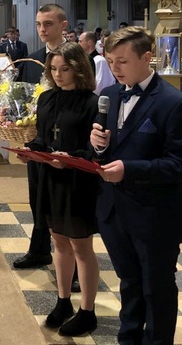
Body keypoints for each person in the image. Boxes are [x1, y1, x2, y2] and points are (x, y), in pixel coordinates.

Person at [90, 27, 182, 344]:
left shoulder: (172, 102)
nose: (114, 69)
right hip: (115, 210)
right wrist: (97, 146)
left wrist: (129, 169)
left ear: (147, 58)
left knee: (155, 288)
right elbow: (106, 150)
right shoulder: (111, 95)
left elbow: (177, 164)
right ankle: (128, 338)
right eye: (110, 61)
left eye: (122, 61)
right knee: (128, 282)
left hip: (155, 214)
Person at [20, 43, 100, 336]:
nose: (59, 75)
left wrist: (70, 159)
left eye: (64, 69)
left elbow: (95, 149)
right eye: (53, 69)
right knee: (58, 242)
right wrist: (29, 150)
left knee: (81, 246)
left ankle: (88, 311)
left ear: (79, 68)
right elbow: (44, 137)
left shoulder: (92, 103)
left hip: (78, 182)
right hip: (50, 179)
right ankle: (63, 300)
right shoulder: (47, 99)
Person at [14, 3, 68, 270]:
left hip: (67, 141)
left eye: (48, 24)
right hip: (37, 138)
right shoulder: (33, 59)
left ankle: (73, 260)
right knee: (37, 195)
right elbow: (23, 100)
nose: (42, 29)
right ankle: (39, 249)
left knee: (64, 201)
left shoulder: (79, 58)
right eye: (38, 24)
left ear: (63, 26)